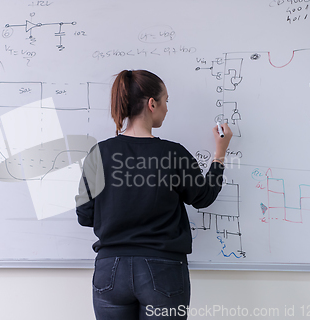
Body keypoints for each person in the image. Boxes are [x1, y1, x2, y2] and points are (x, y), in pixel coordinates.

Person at [75, 69, 232, 320]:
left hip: (109, 270)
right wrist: (220, 154)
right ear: (151, 103)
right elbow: (203, 197)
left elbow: (85, 215)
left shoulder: (99, 153)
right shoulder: (173, 154)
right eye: (166, 101)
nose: (167, 108)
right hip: (163, 270)